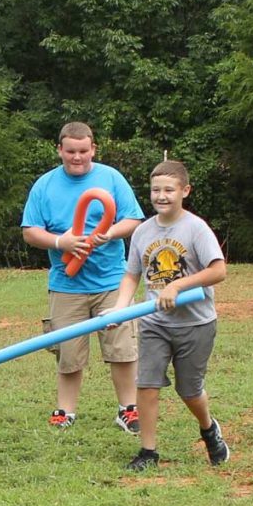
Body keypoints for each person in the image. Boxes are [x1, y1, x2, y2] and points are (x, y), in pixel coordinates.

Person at [21, 121, 145, 432]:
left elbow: (133, 218)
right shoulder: (44, 185)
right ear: (59, 150)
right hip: (66, 284)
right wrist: (61, 242)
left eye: (83, 151)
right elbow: (30, 232)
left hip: (112, 281)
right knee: (68, 351)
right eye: (71, 151)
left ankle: (128, 410)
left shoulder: (111, 178)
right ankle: (65, 412)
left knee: (122, 348)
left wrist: (110, 233)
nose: (77, 157)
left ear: (93, 149)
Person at [111, 160, 229, 471]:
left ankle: (208, 428)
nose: (161, 196)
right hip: (155, 323)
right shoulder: (142, 232)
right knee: (146, 384)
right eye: (155, 190)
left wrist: (179, 285)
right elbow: (132, 275)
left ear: (184, 191)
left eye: (168, 189)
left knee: (188, 390)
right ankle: (148, 451)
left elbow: (219, 270)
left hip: (195, 323)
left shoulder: (195, 228)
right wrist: (121, 307)